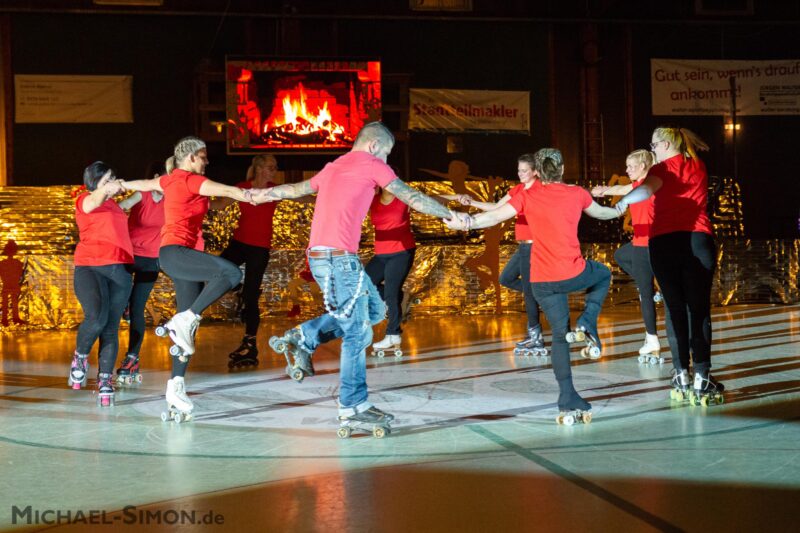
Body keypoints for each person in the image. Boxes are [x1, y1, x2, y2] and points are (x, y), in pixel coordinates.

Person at [258, 121, 468, 437]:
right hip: (338, 260)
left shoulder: (333, 166)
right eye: (386, 153)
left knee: (375, 311)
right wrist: (450, 216)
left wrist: (259, 194)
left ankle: (305, 337)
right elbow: (410, 196)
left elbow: (294, 190)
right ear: (373, 146)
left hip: (324, 257)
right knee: (357, 332)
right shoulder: (371, 163)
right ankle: (352, 406)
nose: (386, 161)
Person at [446, 148, 619, 424]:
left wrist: (465, 222)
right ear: (562, 169)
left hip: (541, 281)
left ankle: (567, 397)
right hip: (571, 272)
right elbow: (603, 214)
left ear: (538, 172)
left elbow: (494, 217)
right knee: (603, 274)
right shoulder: (577, 193)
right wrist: (622, 207)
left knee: (560, 336)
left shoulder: (527, 196)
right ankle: (588, 320)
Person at [120, 136, 269, 422]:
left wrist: (121, 184)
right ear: (190, 158)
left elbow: (144, 184)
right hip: (177, 254)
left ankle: (175, 386)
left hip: (179, 258)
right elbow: (228, 190)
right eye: (203, 156)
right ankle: (187, 318)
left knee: (186, 334)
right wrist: (254, 195)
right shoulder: (190, 180)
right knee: (231, 273)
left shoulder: (169, 180)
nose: (207, 160)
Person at [614, 127, 722, 405]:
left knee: (675, 309)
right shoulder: (697, 164)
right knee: (698, 309)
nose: (652, 151)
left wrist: (624, 200)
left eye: (653, 146)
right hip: (698, 239)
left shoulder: (660, 170)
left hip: (664, 242)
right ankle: (702, 376)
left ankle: (681, 374)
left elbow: (646, 189)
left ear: (664, 144)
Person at [456, 153, 546, 356]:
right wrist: (473, 202)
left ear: (535, 172)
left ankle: (535, 336)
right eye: (519, 170)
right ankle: (541, 295)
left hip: (535, 246)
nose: (520, 174)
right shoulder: (519, 190)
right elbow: (497, 207)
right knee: (506, 278)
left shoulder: (541, 190)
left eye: (525, 171)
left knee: (529, 291)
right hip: (523, 246)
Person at [69, 162, 132, 408]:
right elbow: (94, 201)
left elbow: (135, 197)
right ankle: (80, 356)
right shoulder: (85, 200)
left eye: (113, 177)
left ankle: (105, 379)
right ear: (95, 183)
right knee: (96, 318)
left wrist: (155, 187)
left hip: (118, 270)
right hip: (90, 267)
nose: (112, 182)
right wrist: (107, 188)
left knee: (110, 327)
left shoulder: (114, 205)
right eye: (107, 179)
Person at [592, 149, 663, 363]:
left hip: (648, 244)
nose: (627, 170)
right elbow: (622, 188)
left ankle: (652, 339)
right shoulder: (638, 185)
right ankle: (652, 289)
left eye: (631, 166)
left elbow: (630, 192)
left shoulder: (651, 186)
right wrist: (604, 190)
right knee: (622, 256)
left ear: (642, 166)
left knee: (645, 294)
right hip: (642, 243)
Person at [216, 154, 283, 370]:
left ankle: (250, 344)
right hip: (239, 243)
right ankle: (239, 290)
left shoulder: (275, 191)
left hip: (259, 249)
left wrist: (331, 194)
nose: (274, 171)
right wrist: (191, 199)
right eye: (271, 167)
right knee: (215, 270)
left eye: (275, 167)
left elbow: (304, 197)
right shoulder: (243, 188)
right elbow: (220, 205)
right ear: (260, 168)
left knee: (252, 298)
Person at [114, 161, 166, 386]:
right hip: (128, 255)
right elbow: (122, 206)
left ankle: (132, 357)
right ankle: (124, 303)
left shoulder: (172, 201)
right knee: (118, 299)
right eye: (164, 179)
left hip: (151, 260)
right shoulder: (142, 194)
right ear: (154, 177)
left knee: (137, 309)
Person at [365, 186, 416, 357]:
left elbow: (430, 200)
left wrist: (456, 197)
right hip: (381, 254)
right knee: (363, 284)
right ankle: (400, 297)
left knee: (390, 294)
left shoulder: (404, 197)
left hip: (401, 252)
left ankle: (393, 334)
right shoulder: (373, 199)